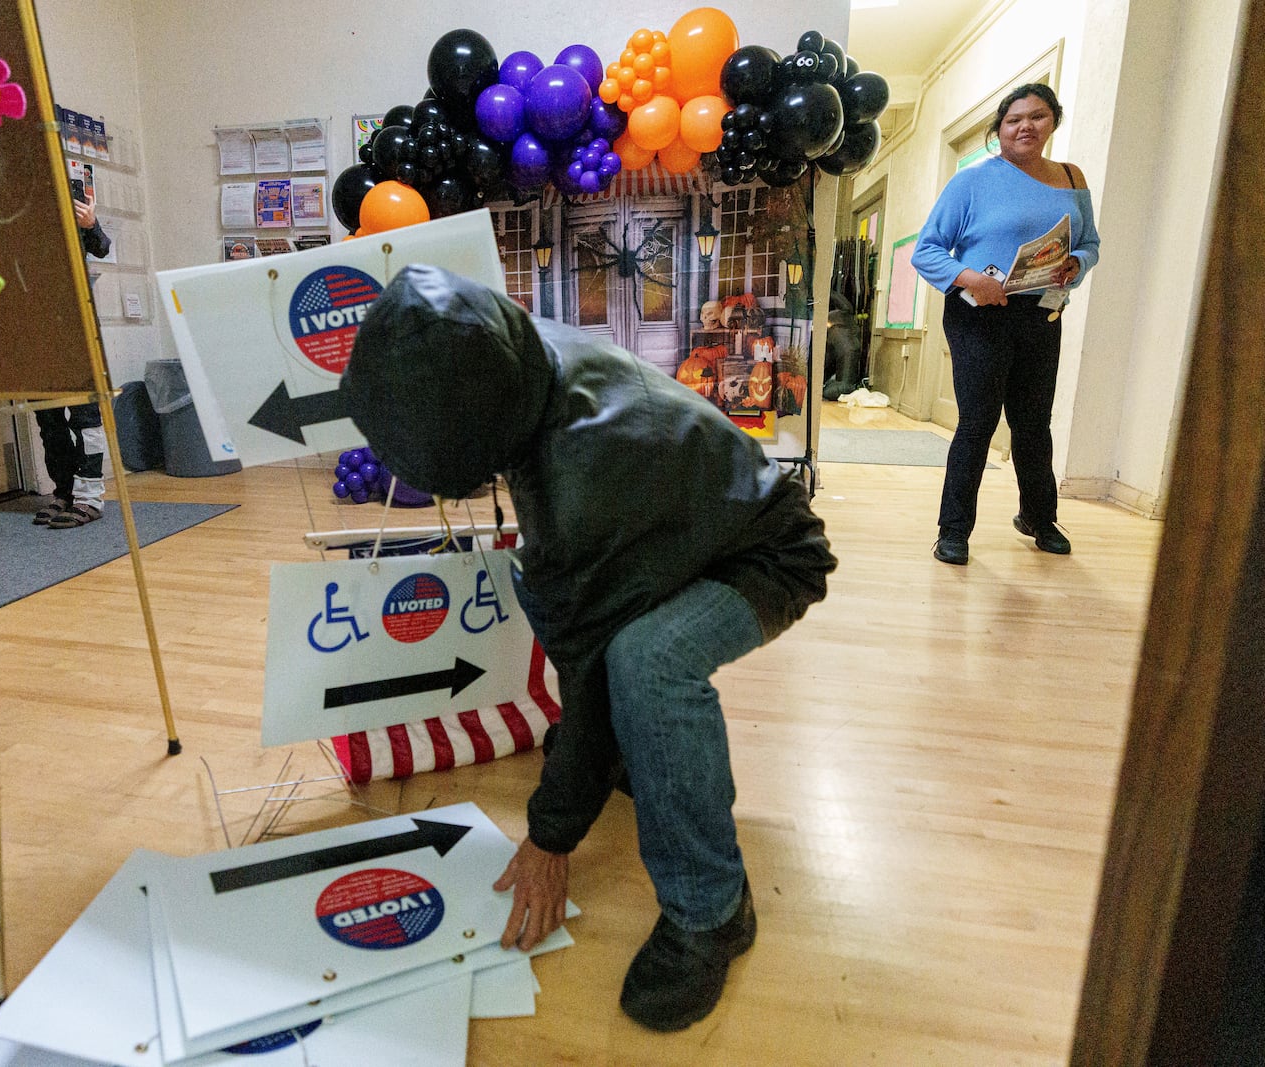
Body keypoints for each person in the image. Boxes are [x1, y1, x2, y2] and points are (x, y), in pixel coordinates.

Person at [341, 265, 836, 1032]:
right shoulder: (515, 352)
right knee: (558, 599)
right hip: (689, 522)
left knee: (645, 662)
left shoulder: (585, 479)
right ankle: (641, 759)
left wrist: (549, 834)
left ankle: (713, 910)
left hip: (765, 554)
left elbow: (591, 670)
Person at [911, 83, 1100, 565]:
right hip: (981, 313)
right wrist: (970, 276)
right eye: (1015, 120)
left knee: (1034, 422)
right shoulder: (972, 182)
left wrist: (1076, 263)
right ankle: (953, 530)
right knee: (977, 422)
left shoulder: (1072, 178)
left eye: (1037, 117)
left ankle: (1039, 517)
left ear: (1052, 122)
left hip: (1041, 313)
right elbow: (927, 250)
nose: (1026, 127)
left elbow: (1090, 243)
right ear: (1000, 130)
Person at [34, 187, 113, 528]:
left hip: (76, 329)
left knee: (85, 417)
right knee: (48, 420)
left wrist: (90, 223)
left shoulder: (67, 191)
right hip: (33, 332)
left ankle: (90, 496)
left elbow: (102, 246)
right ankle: (64, 491)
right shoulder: (10, 206)